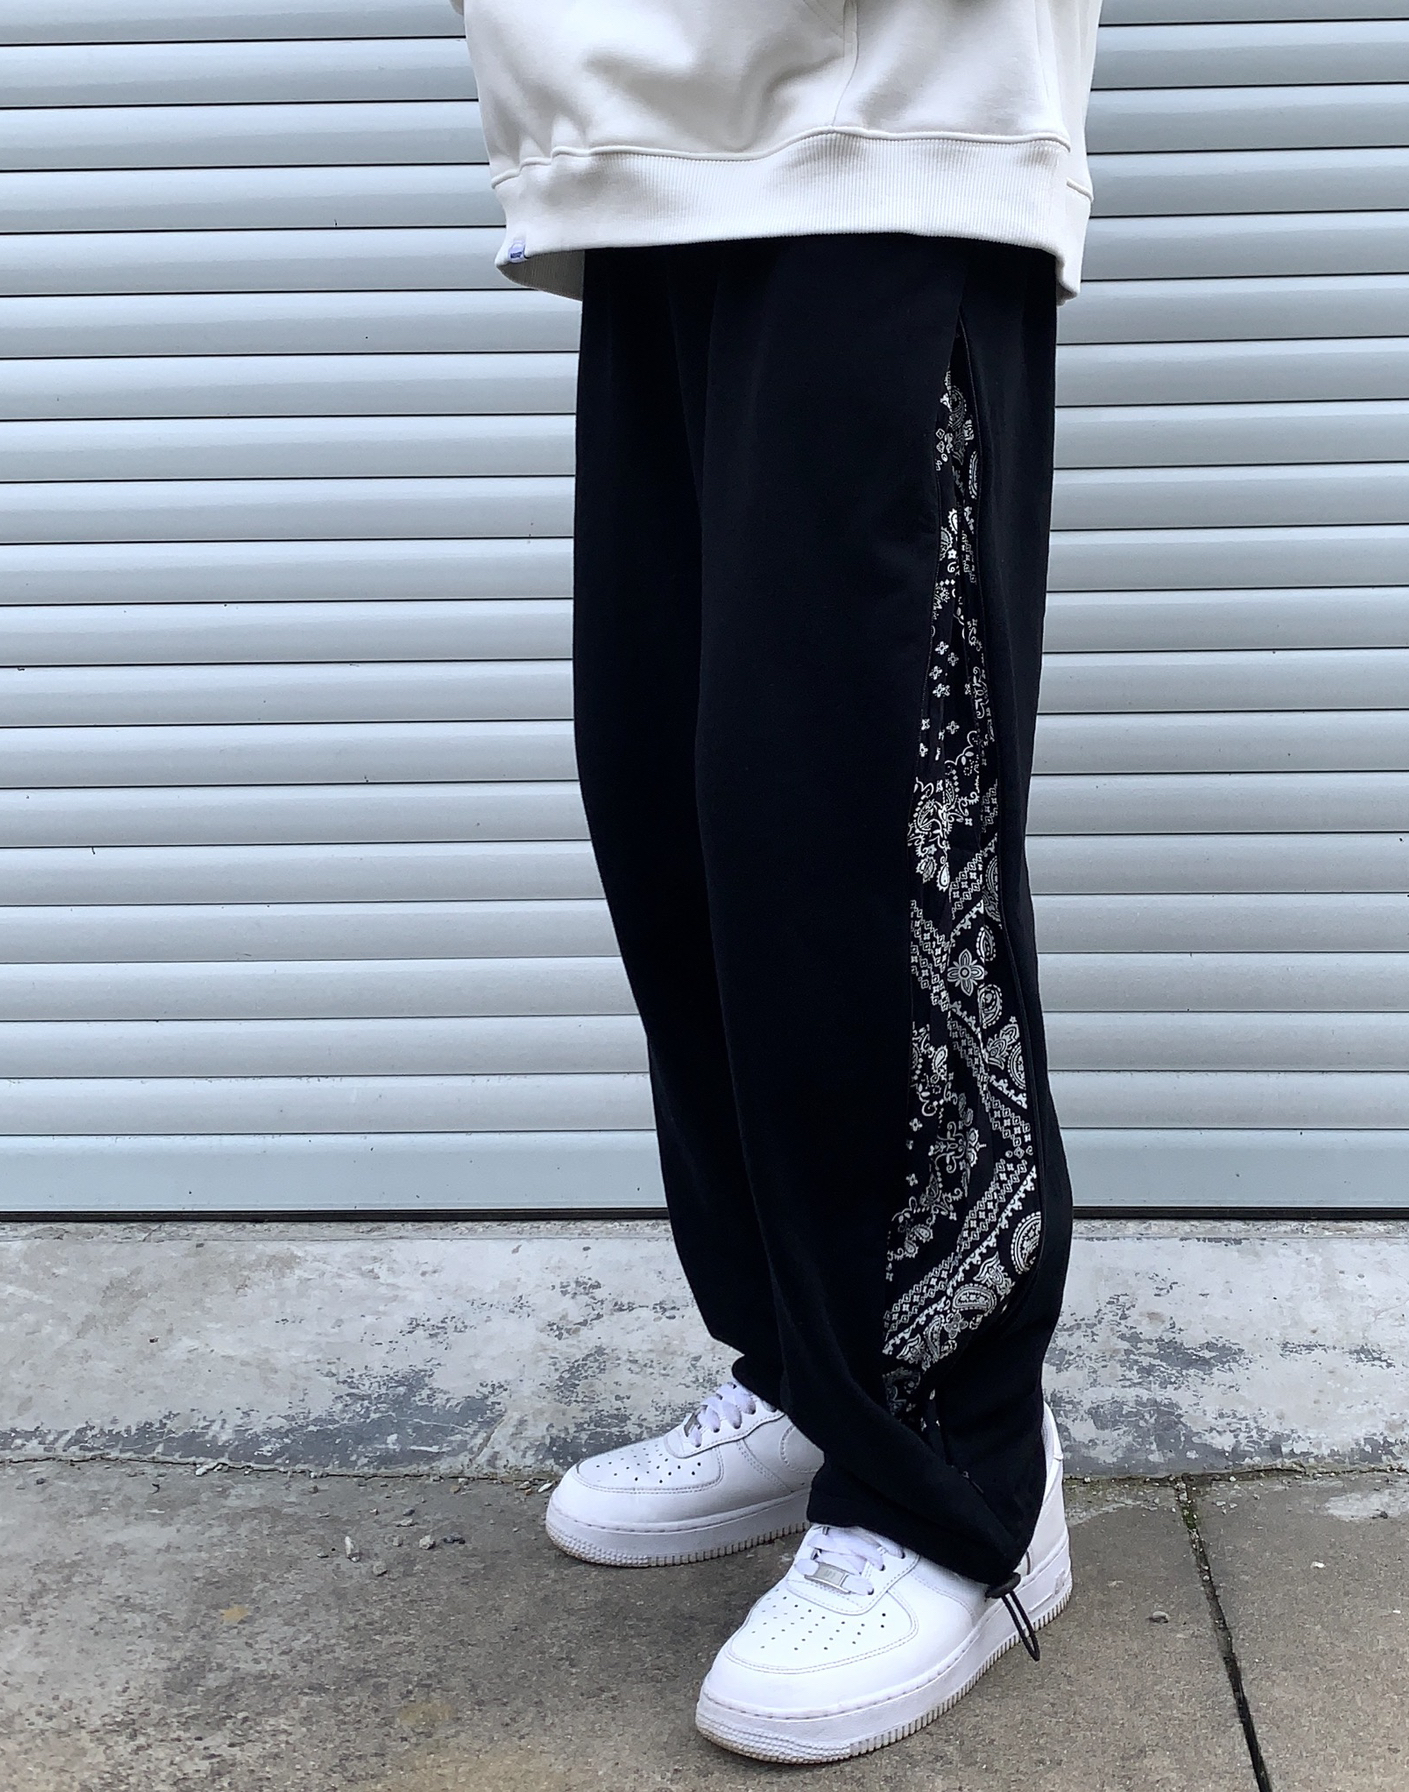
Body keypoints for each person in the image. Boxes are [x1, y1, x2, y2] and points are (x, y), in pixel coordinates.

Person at [452, 0, 1105, 1762]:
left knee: (855, 829)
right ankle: (816, 1374)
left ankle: (957, 1473)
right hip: (635, 150)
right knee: (684, 821)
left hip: (889, 120)